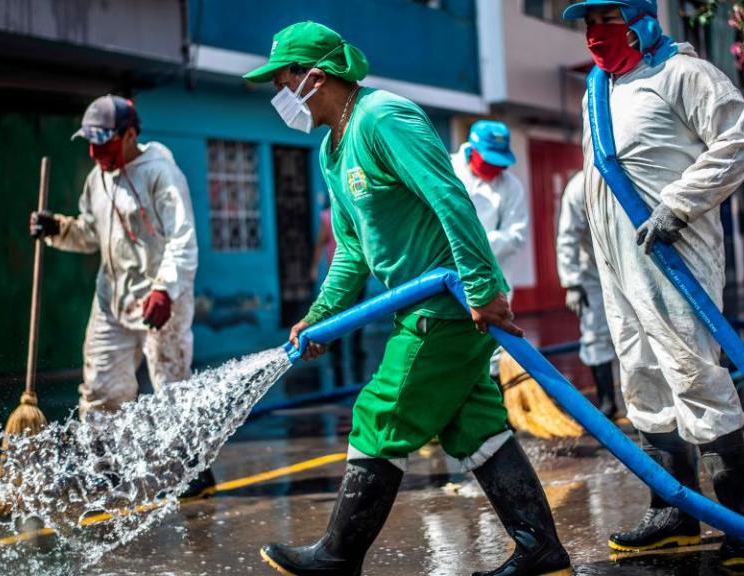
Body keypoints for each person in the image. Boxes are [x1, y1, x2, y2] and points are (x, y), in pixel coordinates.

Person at [243, 21, 571, 576]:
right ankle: (542, 549)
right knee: (476, 428)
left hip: (444, 306)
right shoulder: (332, 148)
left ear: (315, 77)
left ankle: (338, 557)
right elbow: (351, 250)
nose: (278, 94)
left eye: (282, 80)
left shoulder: (383, 118)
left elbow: (450, 198)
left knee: (379, 412)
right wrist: (321, 317)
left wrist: (483, 287)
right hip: (419, 305)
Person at [562, 0, 744, 568]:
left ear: (642, 22)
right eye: (587, 25)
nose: (594, 36)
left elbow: (737, 144)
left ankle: (742, 527)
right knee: (642, 377)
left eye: (607, 21)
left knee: (694, 375)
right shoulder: (597, 92)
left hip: (674, 258)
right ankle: (673, 513)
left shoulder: (685, 75)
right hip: (618, 266)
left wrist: (676, 206)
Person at [28, 95, 214, 498]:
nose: (95, 153)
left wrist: (165, 289)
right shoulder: (97, 177)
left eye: (105, 143)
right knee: (100, 388)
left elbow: (183, 239)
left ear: (130, 135)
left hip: (162, 297)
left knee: (171, 385)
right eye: (90, 144)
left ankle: (195, 469)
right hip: (112, 297)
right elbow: (91, 235)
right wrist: (57, 228)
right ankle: (104, 469)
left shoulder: (160, 172)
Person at [556, 171, 618, 418]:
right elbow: (567, 236)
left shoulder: (630, 172)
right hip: (594, 273)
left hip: (636, 266)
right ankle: (607, 401)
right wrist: (572, 282)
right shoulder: (579, 186)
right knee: (595, 333)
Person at [450, 120, 529, 298]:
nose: (497, 167)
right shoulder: (448, 170)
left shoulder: (512, 186)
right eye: (490, 160)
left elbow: (516, 235)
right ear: (473, 150)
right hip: (448, 277)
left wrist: (477, 245)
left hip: (492, 284)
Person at [310, 194, 366, 387]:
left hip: (348, 272)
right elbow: (321, 243)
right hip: (345, 273)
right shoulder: (337, 215)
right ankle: (349, 347)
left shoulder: (338, 214)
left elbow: (320, 243)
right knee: (357, 310)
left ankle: (344, 348)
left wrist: (313, 268)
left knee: (346, 311)